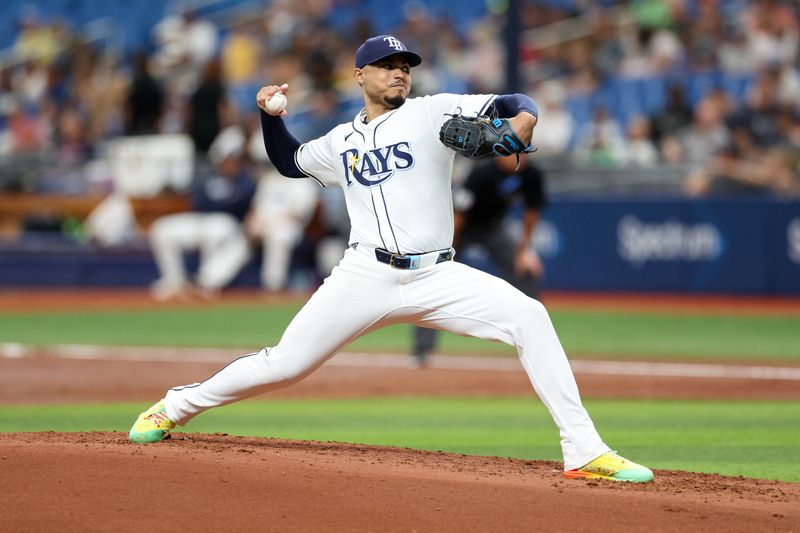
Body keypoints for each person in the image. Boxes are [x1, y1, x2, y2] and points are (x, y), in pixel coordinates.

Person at [130, 35, 654, 483]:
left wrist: (523, 121)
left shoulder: (434, 111)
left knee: (530, 317)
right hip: (365, 275)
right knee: (286, 364)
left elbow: (514, 99)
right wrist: (270, 118)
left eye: (405, 67)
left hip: (438, 273)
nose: (400, 74)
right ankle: (175, 405)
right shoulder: (340, 141)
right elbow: (290, 162)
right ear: (360, 75)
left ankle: (584, 452)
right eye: (388, 66)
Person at [411, 153, 547, 367]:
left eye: (524, 152)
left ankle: (538, 345)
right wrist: (447, 254)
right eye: (514, 152)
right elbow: (459, 217)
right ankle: (421, 349)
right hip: (460, 229)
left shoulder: (532, 174)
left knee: (526, 272)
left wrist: (524, 251)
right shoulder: (482, 173)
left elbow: (532, 213)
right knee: (432, 280)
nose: (520, 157)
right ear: (502, 154)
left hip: (493, 228)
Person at [149, 126, 256, 300]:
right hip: (202, 219)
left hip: (229, 224)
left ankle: (204, 284)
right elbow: (198, 201)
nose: (227, 162)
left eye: (231, 158)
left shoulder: (245, 179)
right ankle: (175, 282)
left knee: (216, 230)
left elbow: (239, 203)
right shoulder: (208, 176)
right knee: (161, 229)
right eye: (224, 158)